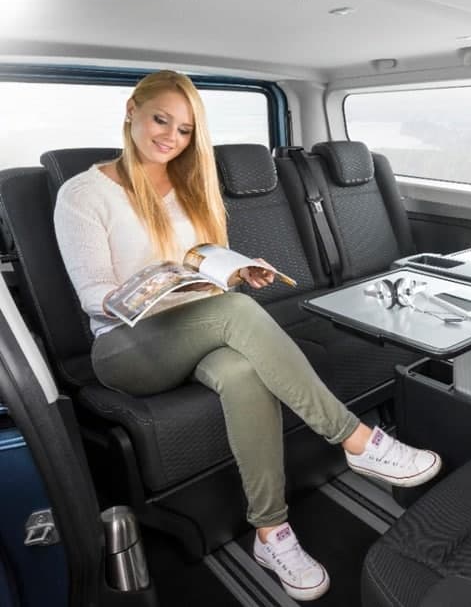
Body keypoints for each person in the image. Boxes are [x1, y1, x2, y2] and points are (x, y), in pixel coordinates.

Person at [53, 70, 441, 602]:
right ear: (131, 111)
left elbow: (202, 259)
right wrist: (162, 289)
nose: (171, 137)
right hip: (127, 345)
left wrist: (234, 269)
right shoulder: (84, 193)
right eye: (161, 120)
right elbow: (93, 295)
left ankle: (271, 533)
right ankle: (354, 438)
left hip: (196, 327)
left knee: (242, 372)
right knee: (235, 311)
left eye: (185, 130)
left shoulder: (189, 187)